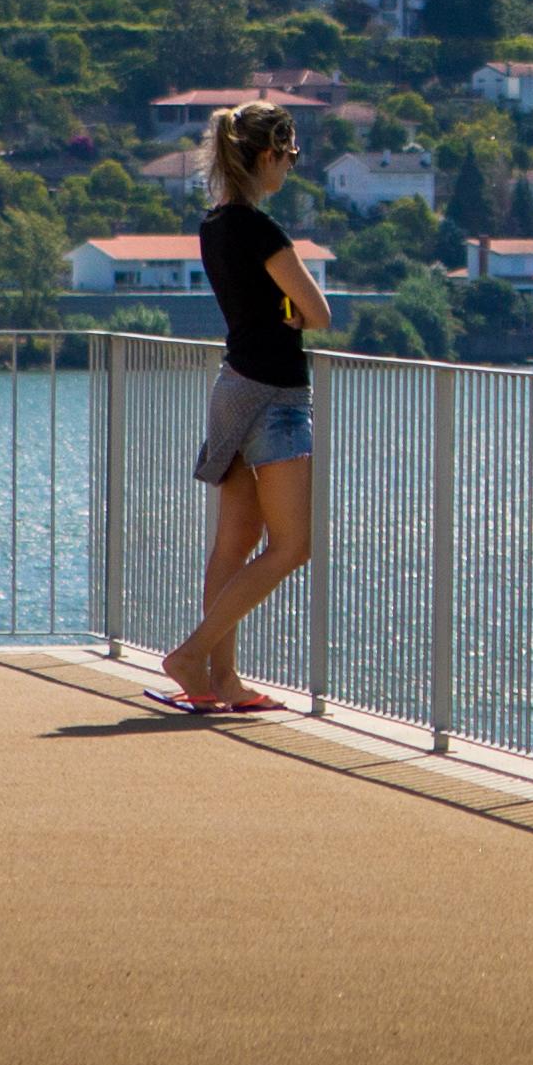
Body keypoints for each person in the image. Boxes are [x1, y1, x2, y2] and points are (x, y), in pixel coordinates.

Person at [157, 100, 328, 713]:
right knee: (291, 546)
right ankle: (191, 654)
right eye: (290, 154)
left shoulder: (215, 226)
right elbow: (318, 313)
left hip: (233, 388)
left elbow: (255, 305)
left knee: (234, 544)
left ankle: (218, 682)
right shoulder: (262, 231)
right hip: (278, 396)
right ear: (266, 154)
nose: (291, 166)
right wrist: (290, 312)